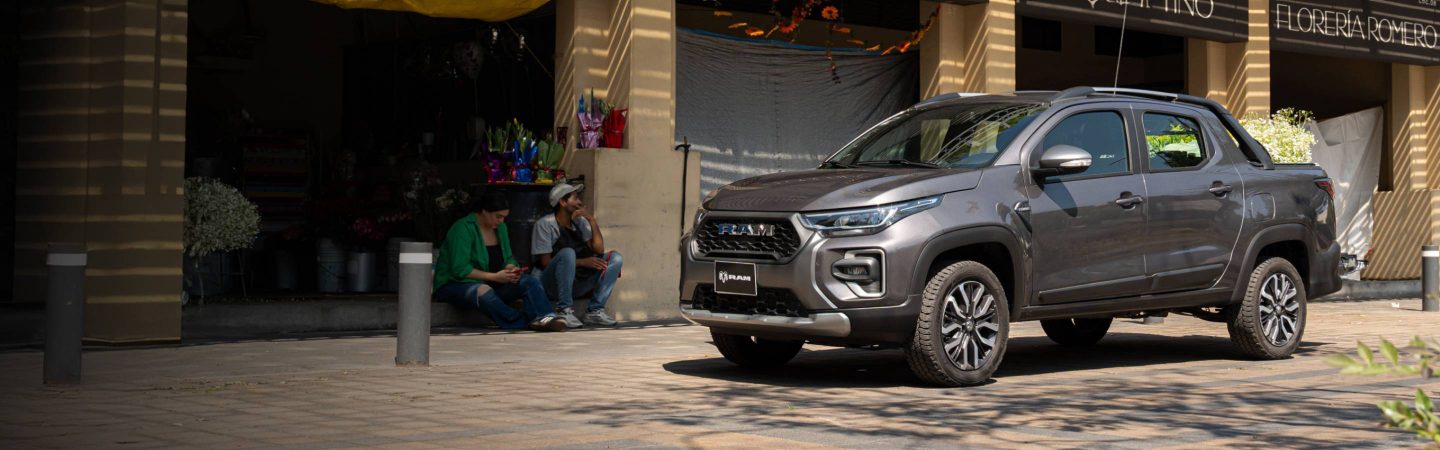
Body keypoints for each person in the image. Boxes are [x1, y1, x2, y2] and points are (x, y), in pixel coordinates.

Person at [434, 191, 566, 331]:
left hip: (492, 283)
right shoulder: (462, 228)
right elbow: (460, 269)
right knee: (483, 290)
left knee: (530, 281)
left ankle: (545, 317)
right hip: (455, 285)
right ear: (484, 211)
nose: (501, 221)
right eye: (498, 216)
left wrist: (511, 268)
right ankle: (523, 321)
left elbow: (508, 258)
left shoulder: (501, 228)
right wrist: (494, 277)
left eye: (504, 217)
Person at [532, 183, 622, 328]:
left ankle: (594, 311)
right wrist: (583, 262)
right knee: (567, 253)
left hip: (577, 281)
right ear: (562, 202)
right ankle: (563, 310)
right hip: (553, 284)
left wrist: (591, 220)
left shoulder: (579, 222)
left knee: (615, 258)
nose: (579, 202)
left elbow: (599, 249)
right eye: (575, 198)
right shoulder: (545, 224)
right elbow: (545, 263)